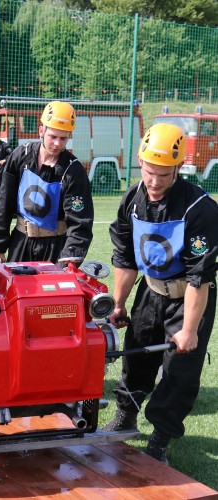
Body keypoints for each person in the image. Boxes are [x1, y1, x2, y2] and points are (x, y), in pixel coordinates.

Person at [103, 123, 217, 465]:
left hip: (188, 300)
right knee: (137, 356)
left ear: (178, 168)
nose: (154, 182)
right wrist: (120, 304)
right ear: (140, 161)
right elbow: (124, 257)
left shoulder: (200, 209)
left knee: (179, 371)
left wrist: (190, 329)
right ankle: (126, 415)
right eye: (149, 172)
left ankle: (161, 438)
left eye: (164, 175)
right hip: (150, 294)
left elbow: (201, 276)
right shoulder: (132, 198)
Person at [0, 101, 94, 264]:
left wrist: (69, 260)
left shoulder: (74, 170)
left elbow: (80, 224)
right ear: (41, 130)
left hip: (56, 248)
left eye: (63, 138)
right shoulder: (20, 156)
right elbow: (4, 204)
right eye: (53, 136)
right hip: (20, 243)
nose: (57, 143)